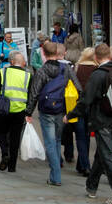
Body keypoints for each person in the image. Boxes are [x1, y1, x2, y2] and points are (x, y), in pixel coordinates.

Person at [80, 43, 112, 204]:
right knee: (102, 153)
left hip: (102, 119)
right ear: (109, 56)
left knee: (107, 155)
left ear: (96, 57)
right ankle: (91, 186)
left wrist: (73, 114)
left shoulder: (98, 74)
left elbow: (87, 99)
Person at [25, 41, 75, 187]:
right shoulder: (66, 69)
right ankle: (55, 174)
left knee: (50, 142)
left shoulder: (41, 71)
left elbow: (34, 93)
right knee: (57, 140)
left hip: (46, 110)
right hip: (61, 109)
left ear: (44, 54)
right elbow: (77, 87)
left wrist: (29, 112)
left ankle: (56, 176)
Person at [0, 51, 30, 172]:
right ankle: (12, 166)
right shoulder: (28, 75)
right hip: (20, 110)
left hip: (4, 109)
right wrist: (28, 111)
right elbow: (31, 94)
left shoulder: (2, 72)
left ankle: (4, 153)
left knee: (0, 133)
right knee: (15, 137)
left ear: (11, 62)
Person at [73, 46, 97, 175]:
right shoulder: (96, 69)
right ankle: (84, 165)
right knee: (86, 136)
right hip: (92, 105)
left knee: (81, 136)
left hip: (79, 104)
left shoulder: (77, 67)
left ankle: (83, 165)